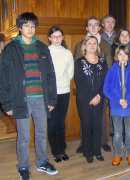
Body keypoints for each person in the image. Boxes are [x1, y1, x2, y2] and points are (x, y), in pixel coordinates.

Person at [0, 12, 58, 180]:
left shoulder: (42, 47)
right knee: (23, 137)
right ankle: (23, 166)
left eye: (33, 26)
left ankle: (42, 162)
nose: (30, 29)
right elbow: (3, 78)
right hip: (21, 99)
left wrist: (52, 99)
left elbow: (50, 75)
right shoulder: (11, 49)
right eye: (26, 25)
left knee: (41, 132)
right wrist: (7, 104)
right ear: (19, 28)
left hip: (41, 98)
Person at [74, 16, 112, 153]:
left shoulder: (106, 45)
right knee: (86, 119)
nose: (94, 27)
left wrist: (102, 91)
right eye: (90, 25)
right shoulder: (80, 45)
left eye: (96, 25)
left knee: (101, 117)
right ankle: (85, 144)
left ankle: (102, 142)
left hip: (102, 87)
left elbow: (109, 65)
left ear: (99, 27)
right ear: (87, 28)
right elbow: (78, 67)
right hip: (86, 89)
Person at [104, 46, 130, 166]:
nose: (122, 57)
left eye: (125, 54)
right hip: (116, 106)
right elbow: (107, 88)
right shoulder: (112, 70)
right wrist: (118, 99)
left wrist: (128, 99)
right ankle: (117, 154)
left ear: (128, 56)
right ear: (116, 56)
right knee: (117, 133)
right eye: (120, 54)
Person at [47, 26, 74, 163]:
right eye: (54, 36)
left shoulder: (67, 53)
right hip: (50, 94)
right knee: (52, 123)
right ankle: (55, 151)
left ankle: (62, 149)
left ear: (62, 38)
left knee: (60, 122)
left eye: (59, 36)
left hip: (64, 92)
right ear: (49, 38)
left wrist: (62, 83)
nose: (57, 39)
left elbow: (70, 73)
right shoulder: (46, 52)